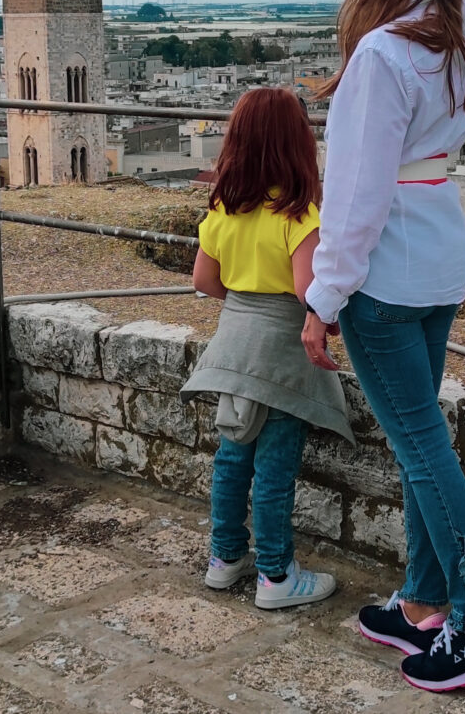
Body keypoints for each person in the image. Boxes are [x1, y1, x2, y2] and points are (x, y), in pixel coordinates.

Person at [301, 0, 465, 691]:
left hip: (388, 264)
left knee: (422, 446)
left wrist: (322, 299)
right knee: (417, 437)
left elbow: (355, 196)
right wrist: (439, 138)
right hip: (439, 247)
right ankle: (426, 601)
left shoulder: (381, 54)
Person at [181, 86, 352, 609]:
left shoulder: (222, 210)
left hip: (234, 345)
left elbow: (203, 281)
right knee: (274, 469)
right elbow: (309, 293)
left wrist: (245, 296)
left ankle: (224, 558)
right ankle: (276, 576)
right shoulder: (299, 217)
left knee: (232, 459)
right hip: (280, 353)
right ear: (295, 143)